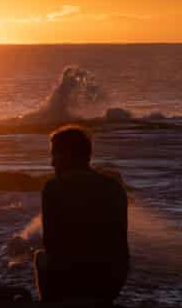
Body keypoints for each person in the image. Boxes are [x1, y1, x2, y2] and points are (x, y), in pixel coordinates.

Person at [35, 126, 129, 303]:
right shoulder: (113, 187)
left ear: (68, 155)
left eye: (55, 155)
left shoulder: (54, 188)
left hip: (72, 281)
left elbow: (51, 242)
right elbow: (120, 241)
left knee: (41, 257)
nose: (52, 163)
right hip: (111, 282)